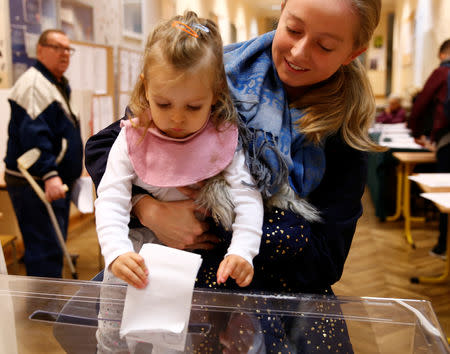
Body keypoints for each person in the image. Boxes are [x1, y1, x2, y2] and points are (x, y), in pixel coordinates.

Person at [86, 0, 382, 351]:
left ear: (353, 53)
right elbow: (108, 147)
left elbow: (326, 260)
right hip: (166, 280)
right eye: (293, 29)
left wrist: (229, 232)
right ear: (281, 11)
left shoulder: (343, 134)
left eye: (325, 45)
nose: (300, 52)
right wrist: (147, 208)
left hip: (266, 297)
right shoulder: (207, 67)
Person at [95, 12, 265, 291]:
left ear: (216, 93)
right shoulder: (131, 138)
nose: (176, 119)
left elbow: (248, 197)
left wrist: (242, 251)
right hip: (140, 257)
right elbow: (111, 198)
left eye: (193, 107)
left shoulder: (222, 137)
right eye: (163, 104)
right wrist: (115, 251)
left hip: (205, 263)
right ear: (145, 87)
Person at [3, 29, 83, 278]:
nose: (65, 54)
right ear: (40, 50)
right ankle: (45, 309)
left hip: (50, 180)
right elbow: (35, 136)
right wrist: (50, 174)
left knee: (52, 246)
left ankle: (49, 304)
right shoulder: (34, 84)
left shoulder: (55, 82)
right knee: (44, 250)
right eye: (57, 47)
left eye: (68, 49)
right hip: (36, 183)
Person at [409, 39, 450, 260]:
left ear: (443, 54)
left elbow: (421, 104)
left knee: (447, 193)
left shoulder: (442, 72)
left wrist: (415, 132)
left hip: (447, 142)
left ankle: (443, 246)